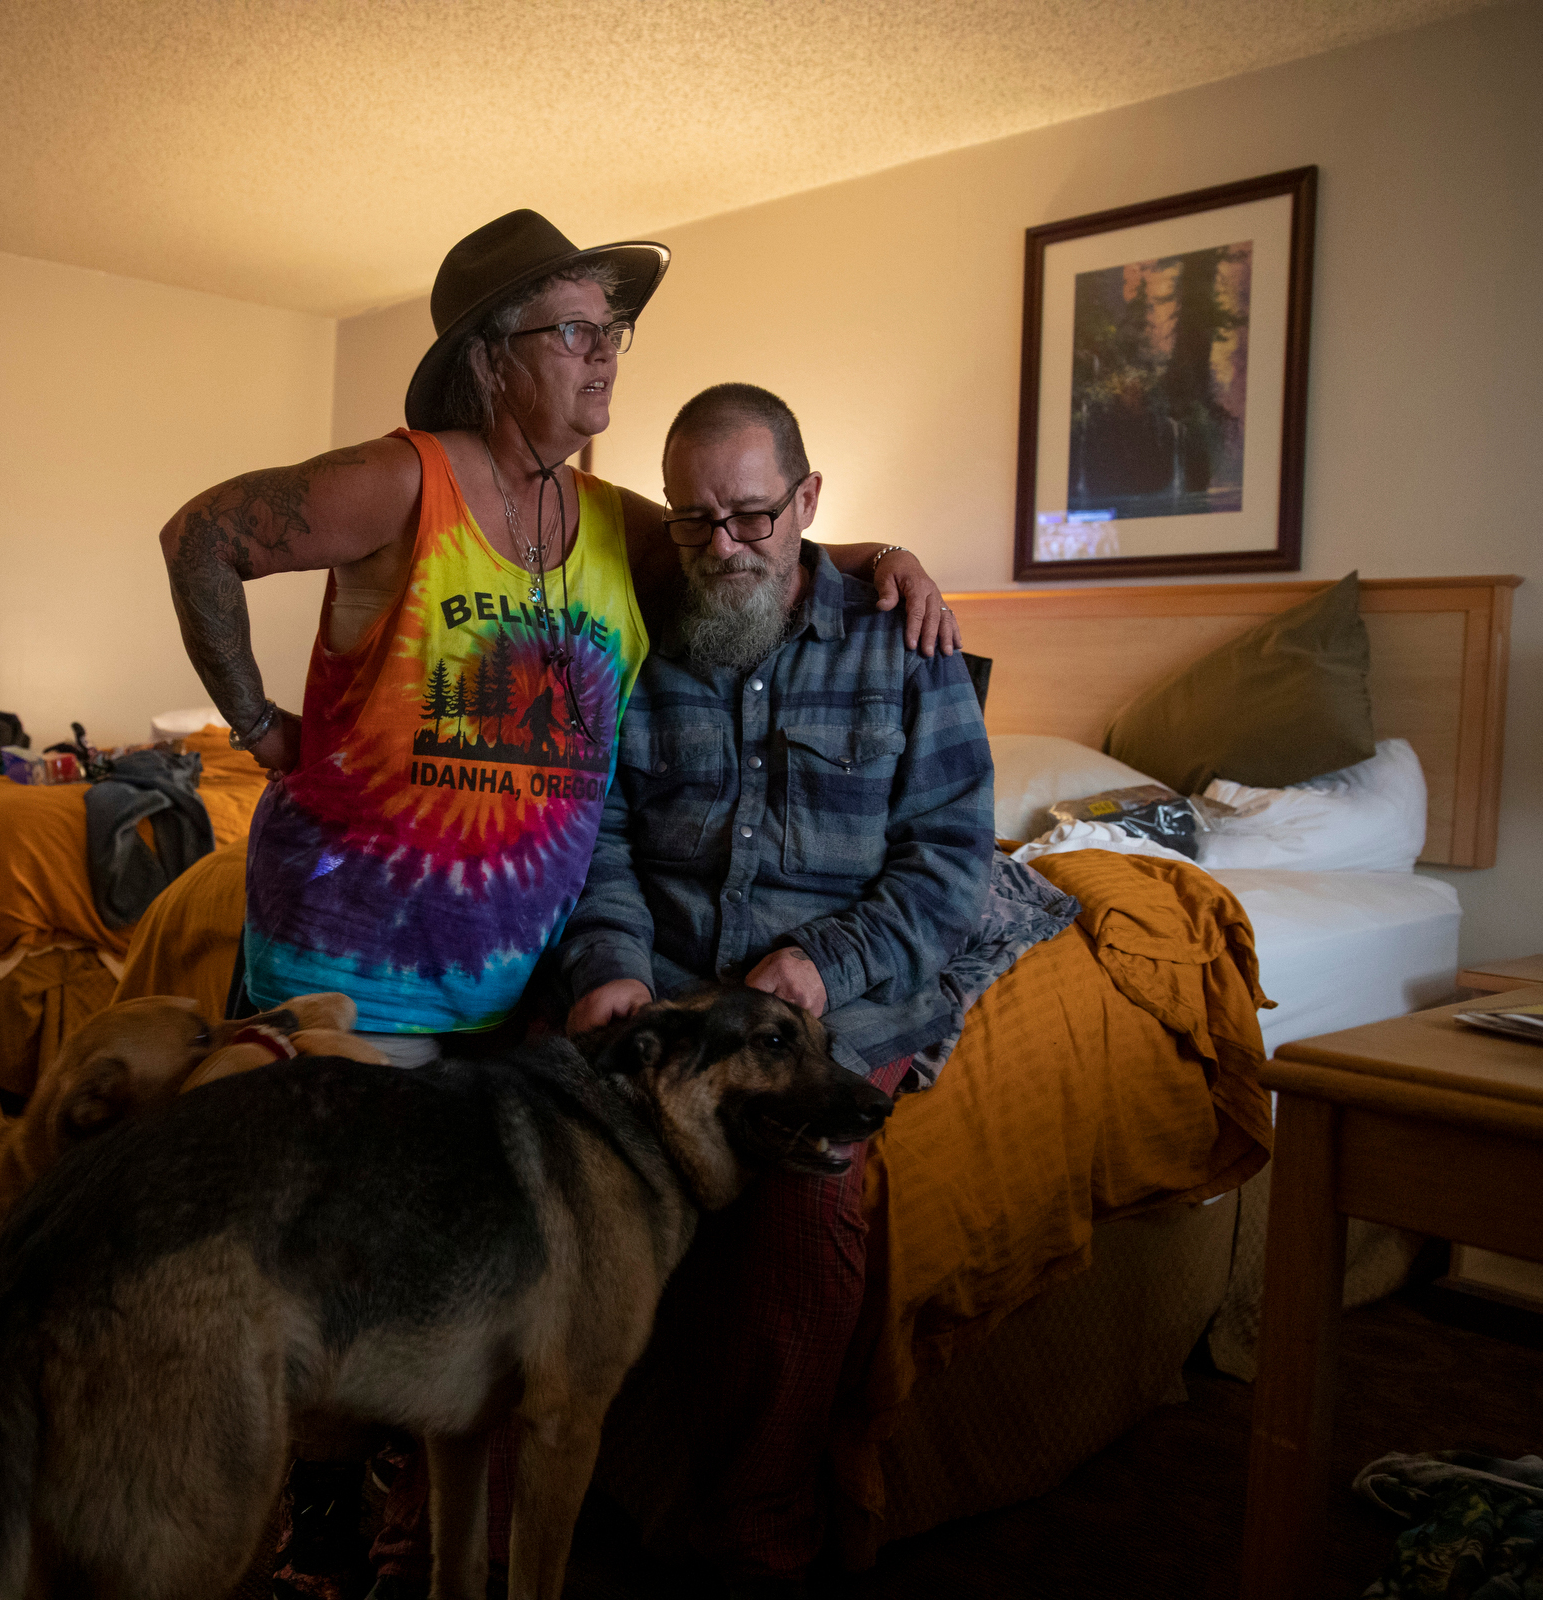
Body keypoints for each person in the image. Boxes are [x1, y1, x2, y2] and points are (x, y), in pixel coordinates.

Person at [159, 210, 961, 1066]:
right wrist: (258, 728)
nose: (607, 352)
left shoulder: (614, 522)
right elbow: (199, 539)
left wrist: (886, 555)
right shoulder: (403, 480)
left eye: (612, 331)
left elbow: (755, 546)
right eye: (577, 331)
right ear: (490, 359)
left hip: (525, 992)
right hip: (352, 984)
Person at [557, 383, 1074, 1597]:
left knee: (795, 1199)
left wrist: (819, 967)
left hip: (842, 997)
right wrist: (614, 966)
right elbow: (604, 842)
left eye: (748, 517)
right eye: (693, 522)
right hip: (677, 981)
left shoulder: (909, 645)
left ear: (808, 503)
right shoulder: (639, 640)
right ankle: (535, 1490)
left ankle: (757, 1541)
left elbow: (953, 862)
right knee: (546, 1137)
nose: (720, 548)